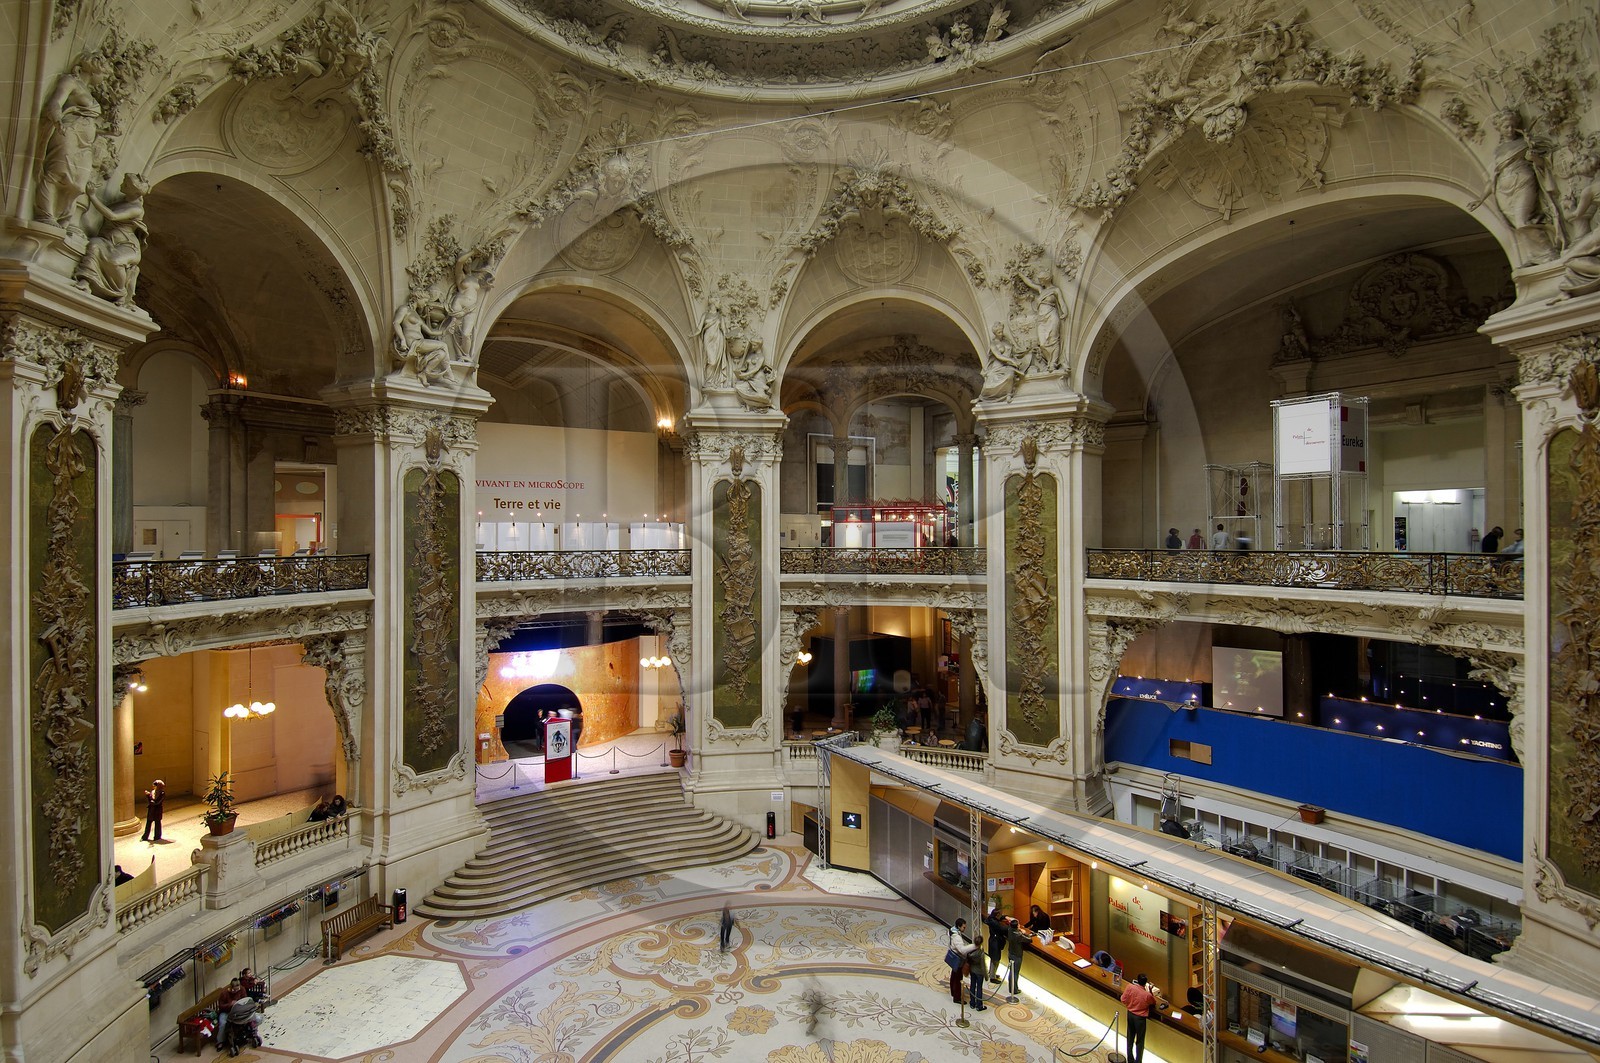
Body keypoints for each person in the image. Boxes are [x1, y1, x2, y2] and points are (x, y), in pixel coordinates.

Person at [1119, 973, 1161, 1063]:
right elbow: (1153, 1002)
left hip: (1130, 1014)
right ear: (1146, 983)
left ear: (1137, 980)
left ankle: (1130, 1059)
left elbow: (1123, 999)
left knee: (1130, 1038)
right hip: (1140, 1019)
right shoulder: (1147, 995)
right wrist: (1149, 990)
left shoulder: (1130, 987)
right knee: (1140, 1041)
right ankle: (1138, 1061)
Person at [1005, 918, 1029, 996]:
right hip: (1017, 955)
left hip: (1010, 953)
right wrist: (1024, 933)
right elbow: (1029, 940)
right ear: (1017, 926)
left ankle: (1011, 987)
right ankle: (1014, 989)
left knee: (1011, 971)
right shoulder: (1018, 935)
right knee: (1015, 973)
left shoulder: (1009, 930)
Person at [984, 905, 1008, 982]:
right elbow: (1002, 929)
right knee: (996, 959)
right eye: (1000, 914)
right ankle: (992, 977)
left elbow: (998, 919)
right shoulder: (995, 923)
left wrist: (1004, 917)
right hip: (996, 943)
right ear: (997, 915)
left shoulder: (991, 919)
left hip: (992, 941)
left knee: (993, 959)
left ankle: (992, 973)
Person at [965, 933, 988, 1010]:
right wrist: (986, 976)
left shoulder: (970, 951)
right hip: (979, 972)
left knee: (972, 985)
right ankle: (979, 1005)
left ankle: (972, 1003)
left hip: (972, 970)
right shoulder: (980, 953)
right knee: (979, 988)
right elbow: (983, 965)